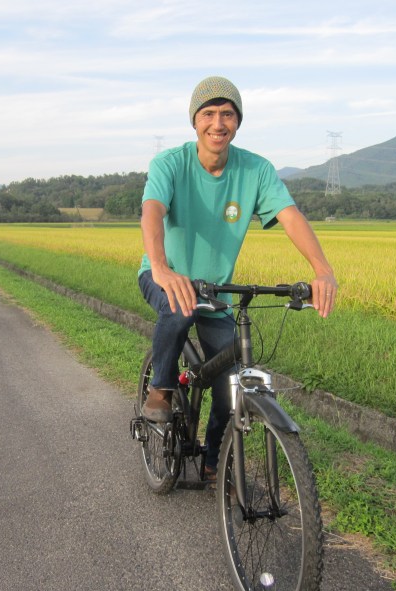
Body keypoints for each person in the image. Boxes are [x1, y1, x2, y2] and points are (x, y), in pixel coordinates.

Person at [138, 76, 338, 478]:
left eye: (227, 114)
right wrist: (161, 267)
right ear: (195, 122)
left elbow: (291, 217)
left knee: (233, 386)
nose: (218, 123)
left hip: (217, 294)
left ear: (238, 121)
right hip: (164, 278)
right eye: (208, 114)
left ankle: (215, 461)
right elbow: (153, 211)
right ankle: (161, 387)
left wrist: (323, 270)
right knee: (179, 308)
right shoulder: (170, 164)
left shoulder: (255, 170)